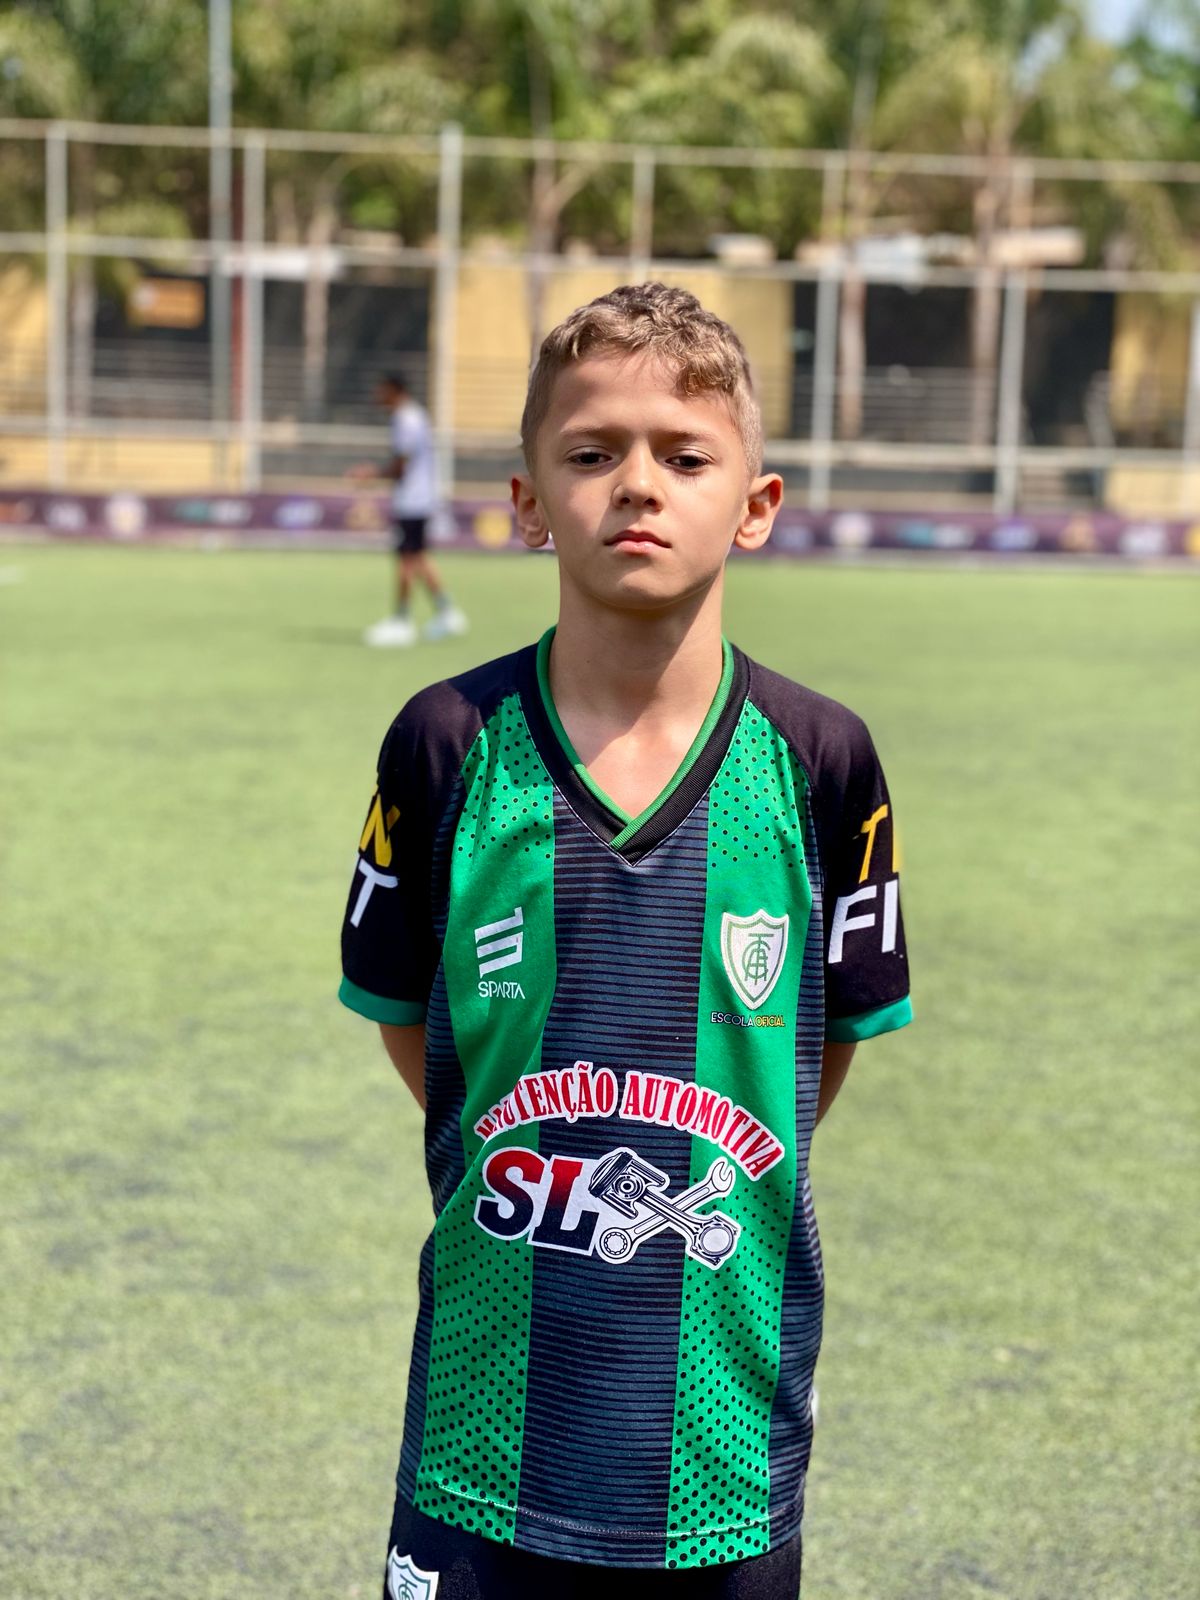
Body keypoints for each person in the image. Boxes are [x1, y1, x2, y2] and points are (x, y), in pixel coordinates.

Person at [338, 283, 913, 1600]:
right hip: (483, 1423)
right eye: (592, 452)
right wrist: (528, 1132)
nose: (638, 485)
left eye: (686, 456)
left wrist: (709, 1142)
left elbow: (816, 1049)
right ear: (528, 500)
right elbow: (410, 1017)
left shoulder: (823, 760)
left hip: (722, 1442)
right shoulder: (446, 744)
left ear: (756, 505)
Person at [347, 372, 468, 646]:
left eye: (382, 391)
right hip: (419, 498)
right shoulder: (414, 416)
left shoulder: (406, 419)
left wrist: (372, 474)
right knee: (418, 555)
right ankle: (447, 612)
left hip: (413, 500)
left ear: (394, 390)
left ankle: (401, 621)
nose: (378, 397)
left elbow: (402, 465)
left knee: (405, 558)